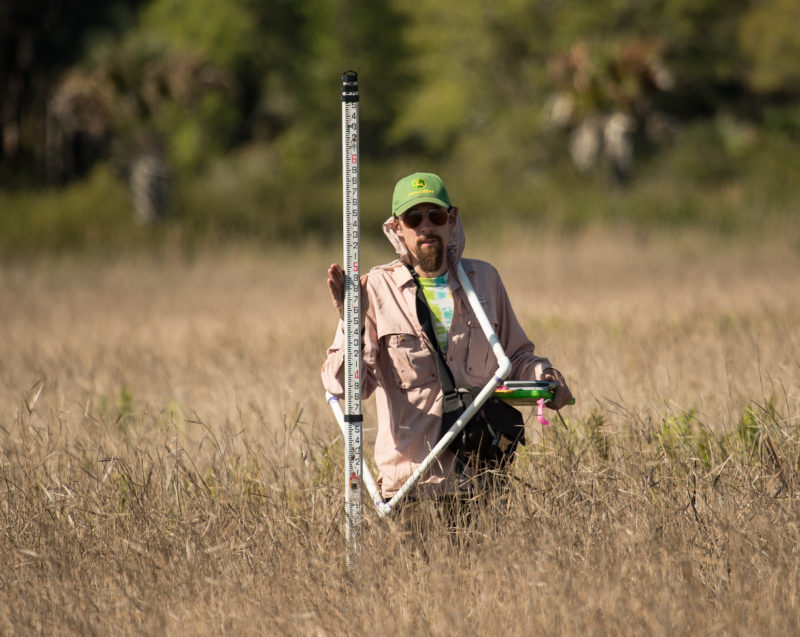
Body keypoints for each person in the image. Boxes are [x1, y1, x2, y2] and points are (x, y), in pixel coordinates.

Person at [322, 172, 572, 502]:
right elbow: (343, 386)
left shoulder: (483, 280)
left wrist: (547, 377)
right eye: (413, 218)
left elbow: (516, 359)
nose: (426, 226)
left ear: (451, 220)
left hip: (483, 483)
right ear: (397, 228)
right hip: (410, 490)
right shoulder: (374, 290)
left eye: (435, 216)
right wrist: (350, 322)